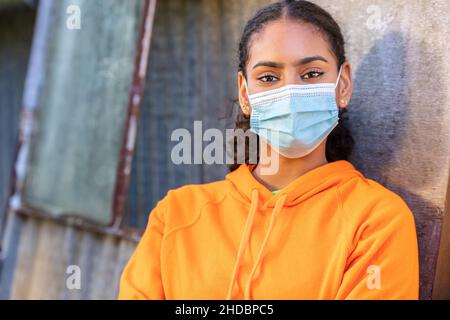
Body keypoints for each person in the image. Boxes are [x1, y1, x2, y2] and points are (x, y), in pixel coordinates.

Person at [119, 0, 419, 300]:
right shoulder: (176, 215)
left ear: (343, 85)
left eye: (312, 73)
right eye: (268, 77)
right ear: (244, 93)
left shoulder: (376, 221)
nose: (289, 92)